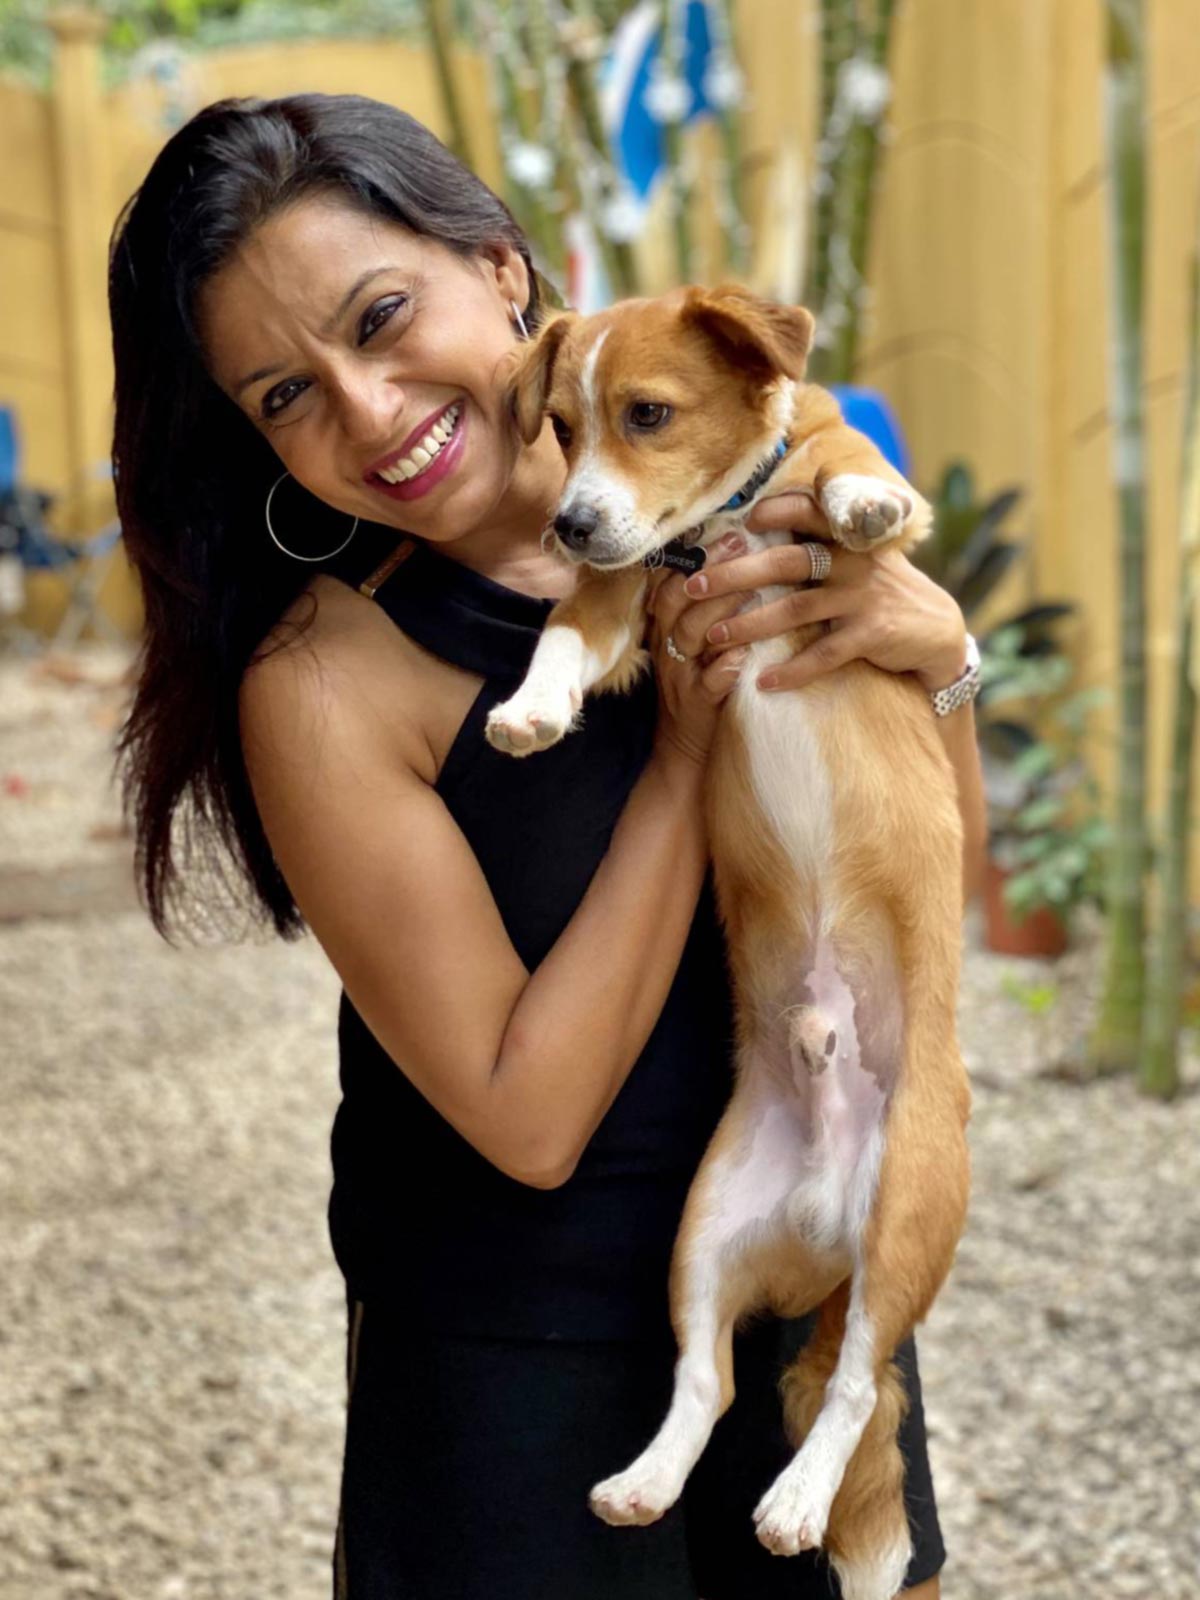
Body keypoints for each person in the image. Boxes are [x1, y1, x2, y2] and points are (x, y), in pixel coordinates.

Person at [109, 92, 984, 1600]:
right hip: (523, 1370)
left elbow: (922, 881)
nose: (369, 411)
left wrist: (938, 654)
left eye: (383, 318)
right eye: (285, 397)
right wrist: (685, 751)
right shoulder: (329, 682)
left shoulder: (734, 471)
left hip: (793, 1258)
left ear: (500, 269)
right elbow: (528, 1119)